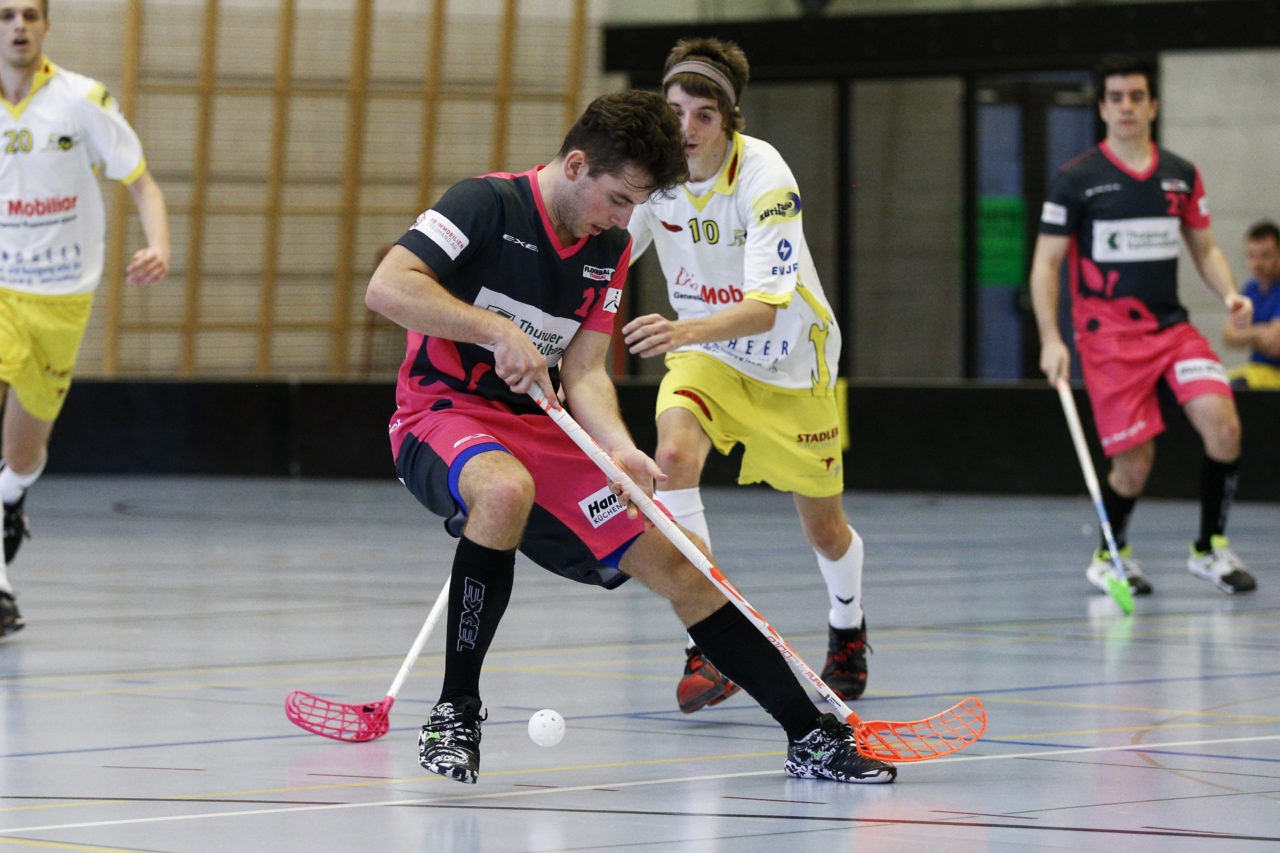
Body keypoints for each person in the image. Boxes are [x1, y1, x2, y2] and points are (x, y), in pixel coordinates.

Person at [365, 91, 895, 786]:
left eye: (634, 206)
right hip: (440, 413)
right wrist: (497, 331)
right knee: (503, 488)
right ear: (578, 164)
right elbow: (387, 285)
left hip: (538, 424)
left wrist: (616, 447)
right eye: (618, 200)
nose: (624, 221)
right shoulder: (483, 203)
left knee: (686, 561)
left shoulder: (608, 247)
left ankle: (809, 736)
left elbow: (583, 369)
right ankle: (454, 713)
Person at [619, 38, 870, 713]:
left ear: (730, 119)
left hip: (792, 361)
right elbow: (609, 249)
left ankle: (847, 625)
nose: (686, 129)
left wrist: (678, 328)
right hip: (707, 356)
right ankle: (711, 634)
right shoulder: (654, 177)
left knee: (825, 528)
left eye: (704, 115)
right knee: (671, 457)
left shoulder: (765, 177)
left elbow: (764, 309)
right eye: (675, 111)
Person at [1029, 54, 1256, 598]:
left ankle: (1210, 550)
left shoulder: (1180, 174)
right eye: (1116, 98)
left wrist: (1228, 292)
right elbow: (1046, 265)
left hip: (1172, 329)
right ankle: (1111, 556)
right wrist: (1051, 338)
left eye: (1136, 96)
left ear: (1153, 105)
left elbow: (1205, 246)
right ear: (1103, 108)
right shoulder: (1076, 181)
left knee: (1224, 428)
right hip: (1108, 338)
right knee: (1134, 463)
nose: (1126, 106)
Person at [0, 0, 170, 637]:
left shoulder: (82, 100)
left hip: (61, 297)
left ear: (46, 26)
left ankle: (9, 499)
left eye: (28, 15)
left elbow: (143, 184)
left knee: (21, 454)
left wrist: (160, 246)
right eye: (5, 14)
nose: (17, 26)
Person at [1221, 220, 1280, 389]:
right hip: (1256, 371)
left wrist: (1245, 333)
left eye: (1265, 255)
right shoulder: (1251, 288)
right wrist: (1261, 332)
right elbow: (1228, 335)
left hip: (1274, 376)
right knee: (1213, 385)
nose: (1258, 263)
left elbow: (1276, 345)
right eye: (1252, 256)